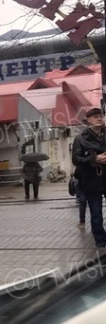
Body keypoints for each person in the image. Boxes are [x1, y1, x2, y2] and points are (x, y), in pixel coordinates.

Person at [72, 107, 106, 253]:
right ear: (89, 120)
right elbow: (76, 159)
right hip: (92, 180)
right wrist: (94, 159)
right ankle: (101, 241)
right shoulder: (80, 139)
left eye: (101, 116)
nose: (99, 119)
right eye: (96, 117)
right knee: (96, 212)